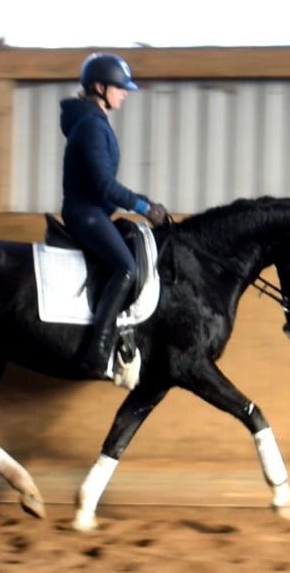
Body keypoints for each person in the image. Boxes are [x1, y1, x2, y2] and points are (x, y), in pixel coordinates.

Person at [59, 52, 169, 378]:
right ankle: (97, 351)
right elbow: (104, 185)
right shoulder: (91, 125)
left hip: (96, 211)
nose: (124, 93)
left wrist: (144, 203)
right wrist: (144, 207)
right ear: (98, 87)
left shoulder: (94, 121)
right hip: (86, 213)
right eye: (119, 88)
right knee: (126, 269)